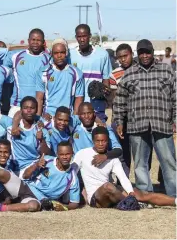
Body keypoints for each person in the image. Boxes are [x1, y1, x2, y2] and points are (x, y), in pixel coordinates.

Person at [113, 39, 176, 198]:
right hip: (137, 125)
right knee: (140, 163)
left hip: (162, 123)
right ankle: (146, 195)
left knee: (169, 162)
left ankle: (173, 195)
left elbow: (175, 96)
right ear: (137, 54)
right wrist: (119, 121)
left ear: (153, 52)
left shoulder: (166, 70)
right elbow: (120, 100)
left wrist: (175, 119)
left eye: (148, 52)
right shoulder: (129, 73)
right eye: (142, 53)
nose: (145, 55)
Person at [72, 126, 177, 209]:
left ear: (108, 141)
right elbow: (72, 173)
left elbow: (122, 178)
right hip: (97, 198)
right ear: (93, 140)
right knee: (108, 186)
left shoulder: (112, 158)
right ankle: (132, 203)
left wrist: (131, 192)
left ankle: (174, 201)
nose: (100, 144)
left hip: (113, 192)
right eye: (97, 141)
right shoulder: (82, 154)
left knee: (143, 194)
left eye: (103, 141)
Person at [0, 139, 41, 212]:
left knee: (34, 206)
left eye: (6, 152)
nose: (2, 155)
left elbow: (17, 180)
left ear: (10, 154)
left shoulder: (9, 169)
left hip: (23, 193)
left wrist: (7, 197)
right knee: (0, 173)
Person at [0, 96, 51, 177]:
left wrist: (41, 140)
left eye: (32, 108)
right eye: (25, 108)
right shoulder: (10, 124)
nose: (29, 110)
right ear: (21, 110)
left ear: (36, 110)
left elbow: (47, 153)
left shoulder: (42, 129)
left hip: (33, 166)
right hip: (13, 166)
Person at [69, 24, 112, 121]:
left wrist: (105, 91)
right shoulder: (70, 55)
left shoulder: (102, 54)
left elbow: (106, 79)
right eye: (79, 37)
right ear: (76, 37)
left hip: (96, 105)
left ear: (90, 36)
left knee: (99, 134)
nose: (82, 39)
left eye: (84, 36)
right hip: (76, 106)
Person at [4, 28, 50, 117]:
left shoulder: (48, 59)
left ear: (43, 42)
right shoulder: (15, 56)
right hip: (17, 104)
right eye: (33, 40)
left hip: (37, 106)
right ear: (28, 41)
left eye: (38, 40)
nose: (35, 43)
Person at [23, 141, 80, 211]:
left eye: (67, 154)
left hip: (43, 201)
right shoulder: (46, 160)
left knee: (33, 206)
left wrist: (64, 207)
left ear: (72, 154)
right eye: (61, 154)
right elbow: (25, 176)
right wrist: (36, 165)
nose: (65, 157)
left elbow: (75, 203)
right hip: (27, 189)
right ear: (57, 154)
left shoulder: (73, 176)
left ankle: (5, 207)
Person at [36, 38, 84, 117]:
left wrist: (75, 118)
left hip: (67, 118)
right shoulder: (43, 72)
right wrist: (38, 118)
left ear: (67, 53)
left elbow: (79, 98)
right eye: (56, 53)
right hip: (48, 116)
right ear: (51, 54)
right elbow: (39, 99)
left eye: (62, 52)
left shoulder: (77, 73)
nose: (59, 56)